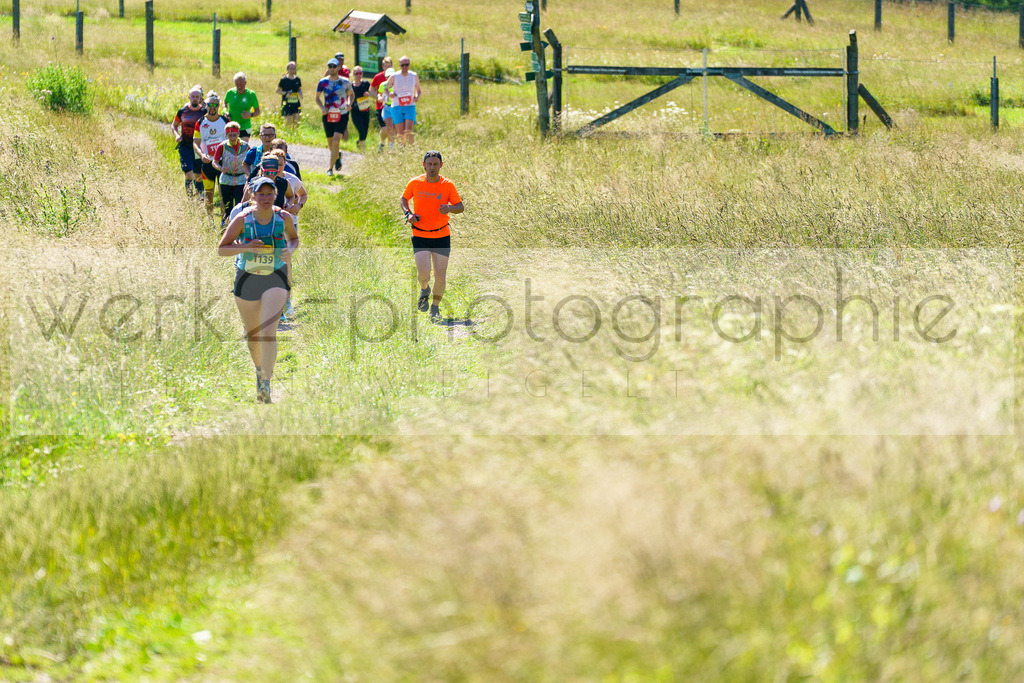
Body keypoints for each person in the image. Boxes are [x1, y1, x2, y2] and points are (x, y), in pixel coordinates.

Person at [218, 176, 299, 404]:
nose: (265, 197)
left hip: (276, 277)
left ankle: (266, 383)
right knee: (253, 334)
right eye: (260, 193)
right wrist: (245, 247)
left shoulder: (283, 217)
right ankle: (258, 371)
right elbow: (222, 249)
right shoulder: (243, 220)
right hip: (247, 279)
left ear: (275, 195)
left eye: (269, 193)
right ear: (252, 196)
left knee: (267, 332)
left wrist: (289, 251)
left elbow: (294, 239)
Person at [400, 150, 464, 321]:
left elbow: (460, 206)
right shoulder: (415, 182)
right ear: (424, 165)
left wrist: (449, 208)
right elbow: (403, 199)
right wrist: (408, 214)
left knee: (440, 274)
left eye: (436, 164)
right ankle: (424, 289)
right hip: (420, 234)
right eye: (429, 164)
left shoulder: (447, 185)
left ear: (441, 165)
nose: (432, 167)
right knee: (424, 273)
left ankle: (435, 308)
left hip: (441, 234)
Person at [271, 148, 305, 320]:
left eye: (281, 165)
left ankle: (286, 302)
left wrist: (295, 206)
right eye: (273, 165)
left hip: (285, 225)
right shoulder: (259, 180)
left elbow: (300, 195)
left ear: (285, 164)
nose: (277, 169)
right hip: (264, 226)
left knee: (284, 263)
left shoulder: (288, 181)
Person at [193, 91, 230, 217]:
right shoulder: (200, 122)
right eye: (210, 105)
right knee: (208, 194)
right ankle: (210, 221)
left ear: (218, 106)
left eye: (215, 105)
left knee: (222, 194)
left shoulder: (225, 120)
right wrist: (201, 155)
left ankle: (224, 221)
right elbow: (196, 142)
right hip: (207, 162)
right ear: (205, 105)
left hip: (222, 163)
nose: (213, 108)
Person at [316, 58, 354, 175]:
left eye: (334, 66)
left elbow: (351, 95)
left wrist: (349, 104)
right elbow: (317, 98)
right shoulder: (323, 82)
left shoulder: (345, 82)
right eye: (330, 66)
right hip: (328, 115)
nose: (332, 68)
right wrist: (322, 107)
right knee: (330, 143)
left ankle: (330, 168)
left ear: (338, 68)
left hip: (342, 114)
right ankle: (337, 156)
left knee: (336, 141)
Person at [171, 85, 207, 198]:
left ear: (200, 97)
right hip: (186, 146)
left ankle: (200, 197)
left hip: (199, 147)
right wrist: (177, 135)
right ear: (189, 97)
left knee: (198, 175)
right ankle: (190, 199)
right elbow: (174, 125)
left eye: (197, 96)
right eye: (193, 96)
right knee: (188, 173)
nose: (195, 98)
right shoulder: (183, 111)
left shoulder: (204, 111)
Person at [211, 121, 249, 226]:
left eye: (235, 135)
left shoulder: (245, 146)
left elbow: (251, 161)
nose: (233, 138)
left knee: (239, 205)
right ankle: (226, 223)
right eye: (230, 135)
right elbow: (214, 161)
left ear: (238, 134)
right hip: (226, 179)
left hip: (241, 179)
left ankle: (238, 226)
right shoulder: (222, 146)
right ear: (226, 135)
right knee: (227, 205)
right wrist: (220, 168)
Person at [386, 56, 421, 145]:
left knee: (408, 131)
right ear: (399, 65)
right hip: (397, 106)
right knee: (400, 133)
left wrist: (416, 96)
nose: (405, 67)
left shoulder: (414, 75)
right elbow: (386, 88)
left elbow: (418, 89)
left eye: (406, 65)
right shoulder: (394, 76)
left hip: (410, 105)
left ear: (409, 65)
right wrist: (390, 94)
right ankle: (402, 150)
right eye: (402, 65)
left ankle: (411, 150)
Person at [224, 72, 261, 140]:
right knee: (231, 148)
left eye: (241, 84)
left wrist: (250, 114)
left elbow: (258, 111)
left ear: (245, 82)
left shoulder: (251, 94)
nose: (239, 87)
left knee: (243, 148)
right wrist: (225, 112)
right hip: (232, 126)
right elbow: (225, 103)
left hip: (245, 126)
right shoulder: (230, 93)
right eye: (237, 84)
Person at [370, 57, 396, 151]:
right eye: (385, 66)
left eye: (389, 66)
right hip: (381, 106)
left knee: (391, 129)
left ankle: (391, 148)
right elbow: (371, 89)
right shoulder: (378, 77)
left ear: (392, 66)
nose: (387, 68)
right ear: (382, 67)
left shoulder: (396, 77)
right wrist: (378, 97)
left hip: (394, 106)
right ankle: (382, 142)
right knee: (385, 128)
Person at [350, 66, 372, 154]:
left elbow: (372, 91)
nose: (358, 75)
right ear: (353, 74)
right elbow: (347, 96)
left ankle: (359, 142)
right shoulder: (351, 85)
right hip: (355, 111)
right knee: (361, 130)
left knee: (365, 131)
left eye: (360, 73)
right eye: (356, 73)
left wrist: (368, 93)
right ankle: (363, 151)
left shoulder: (366, 83)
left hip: (365, 110)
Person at [277, 61, 302, 127]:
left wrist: (300, 93)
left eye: (294, 68)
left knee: (296, 124)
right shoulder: (284, 80)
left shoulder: (297, 79)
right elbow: (277, 91)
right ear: (287, 69)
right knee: (288, 124)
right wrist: (286, 93)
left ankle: (296, 136)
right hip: (286, 103)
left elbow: (299, 89)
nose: (292, 70)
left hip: (296, 103)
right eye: (291, 69)